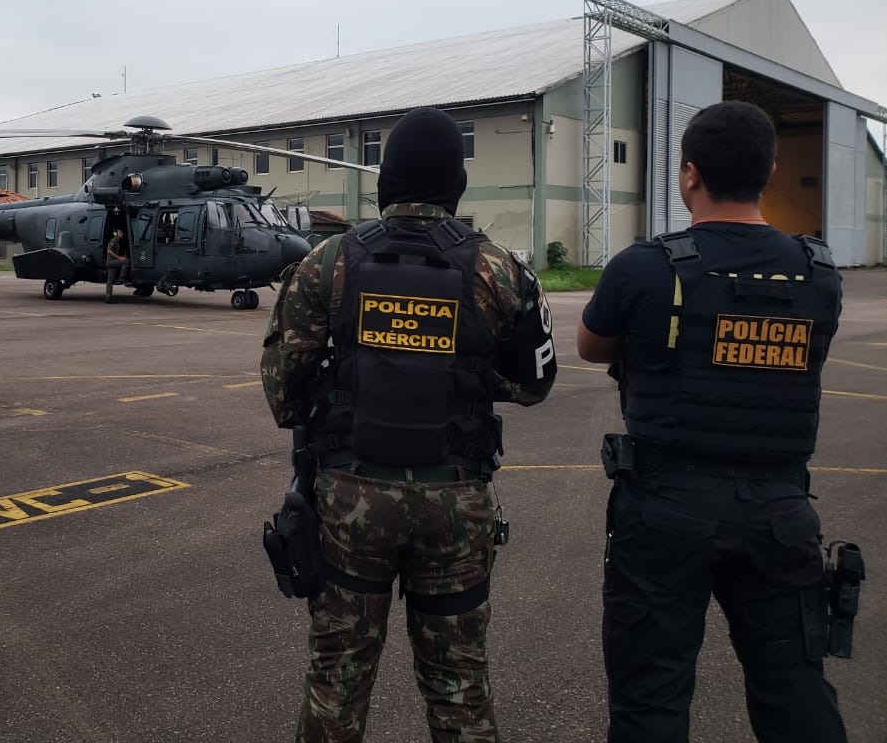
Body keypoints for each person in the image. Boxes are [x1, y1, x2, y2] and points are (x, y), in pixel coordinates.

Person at [261, 107, 557, 742]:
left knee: (336, 682)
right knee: (460, 686)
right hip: (456, 501)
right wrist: (466, 374)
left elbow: (282, 393)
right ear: (456, 185)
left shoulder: (326, 263)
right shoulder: (501, 269)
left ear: (384, 181)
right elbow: (535, 383)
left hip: (350, 500)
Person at [577, 100, 846, 743]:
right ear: (771, 169)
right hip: (780, 509)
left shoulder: (646, 265)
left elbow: (591, 346)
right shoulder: (820, 273)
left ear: (688, 174)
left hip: (666, 507)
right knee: (794, 685)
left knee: (651, 696)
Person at [105, 228, 128, 303]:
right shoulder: (113, 241)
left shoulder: (118, 242)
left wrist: (122, 256)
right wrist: (120, 258)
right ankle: (121, 279)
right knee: (126, 261)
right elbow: (109, 251)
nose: (122, 234)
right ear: (116, 233)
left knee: (110, 281)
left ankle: (108, 298)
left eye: (122, 232)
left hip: (113, 262)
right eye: (120, 232)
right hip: (111, 262)